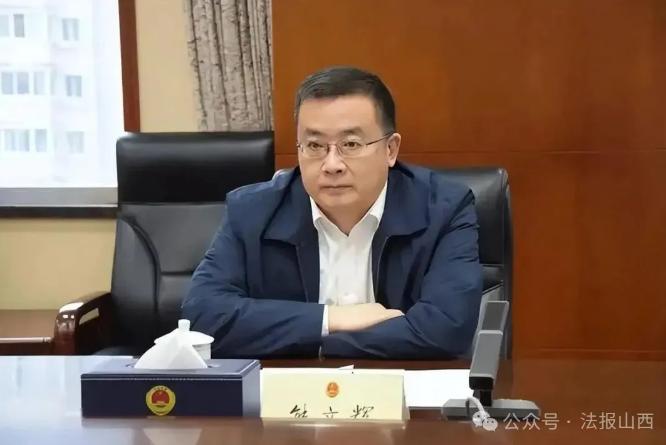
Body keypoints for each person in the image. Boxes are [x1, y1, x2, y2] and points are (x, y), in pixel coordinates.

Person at [182, 66, 482, 359]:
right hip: (287, 390)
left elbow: (447, 328)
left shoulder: (443, 209)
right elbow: (203, 316)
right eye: (314, 145)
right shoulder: (252, 212)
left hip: (404, 388)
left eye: (351, 144)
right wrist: (331, 319)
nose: (332, 164)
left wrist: (317, 343)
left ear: (390, 150)